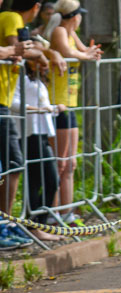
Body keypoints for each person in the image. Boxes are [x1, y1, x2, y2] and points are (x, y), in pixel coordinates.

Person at [0, 0, 59, 243]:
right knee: (13, 164)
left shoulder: (10, 18)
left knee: (11, 164)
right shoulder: (11, 17)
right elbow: (19, 49)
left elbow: (24, 49)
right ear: (36, 7)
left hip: (5, 101)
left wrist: (43, 52)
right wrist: (43, 53)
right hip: (3, 102)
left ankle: (7, 223)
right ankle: (5, 224)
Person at [42, 0, 103, 211]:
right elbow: (70, 53)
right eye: (79, 16)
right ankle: (53, 212)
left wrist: (90, 53)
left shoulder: (70, 33)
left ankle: (66, 212)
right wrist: (86, 55)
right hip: (57, 103)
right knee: (60, 163)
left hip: (69, 103)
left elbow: (84, 50)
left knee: (70, 163)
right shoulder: (59, 31)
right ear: (75, 17)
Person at [13, 60, 61, 225]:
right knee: (41, 180)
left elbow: (43, 105)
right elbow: (13, 103)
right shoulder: (20, 77)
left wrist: (54, 108)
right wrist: (39, 110)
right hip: (28, 134)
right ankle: (35, 223)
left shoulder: (37, 79)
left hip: (41, 133)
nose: (45, 62)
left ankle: (36, 222)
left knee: (45, 180)